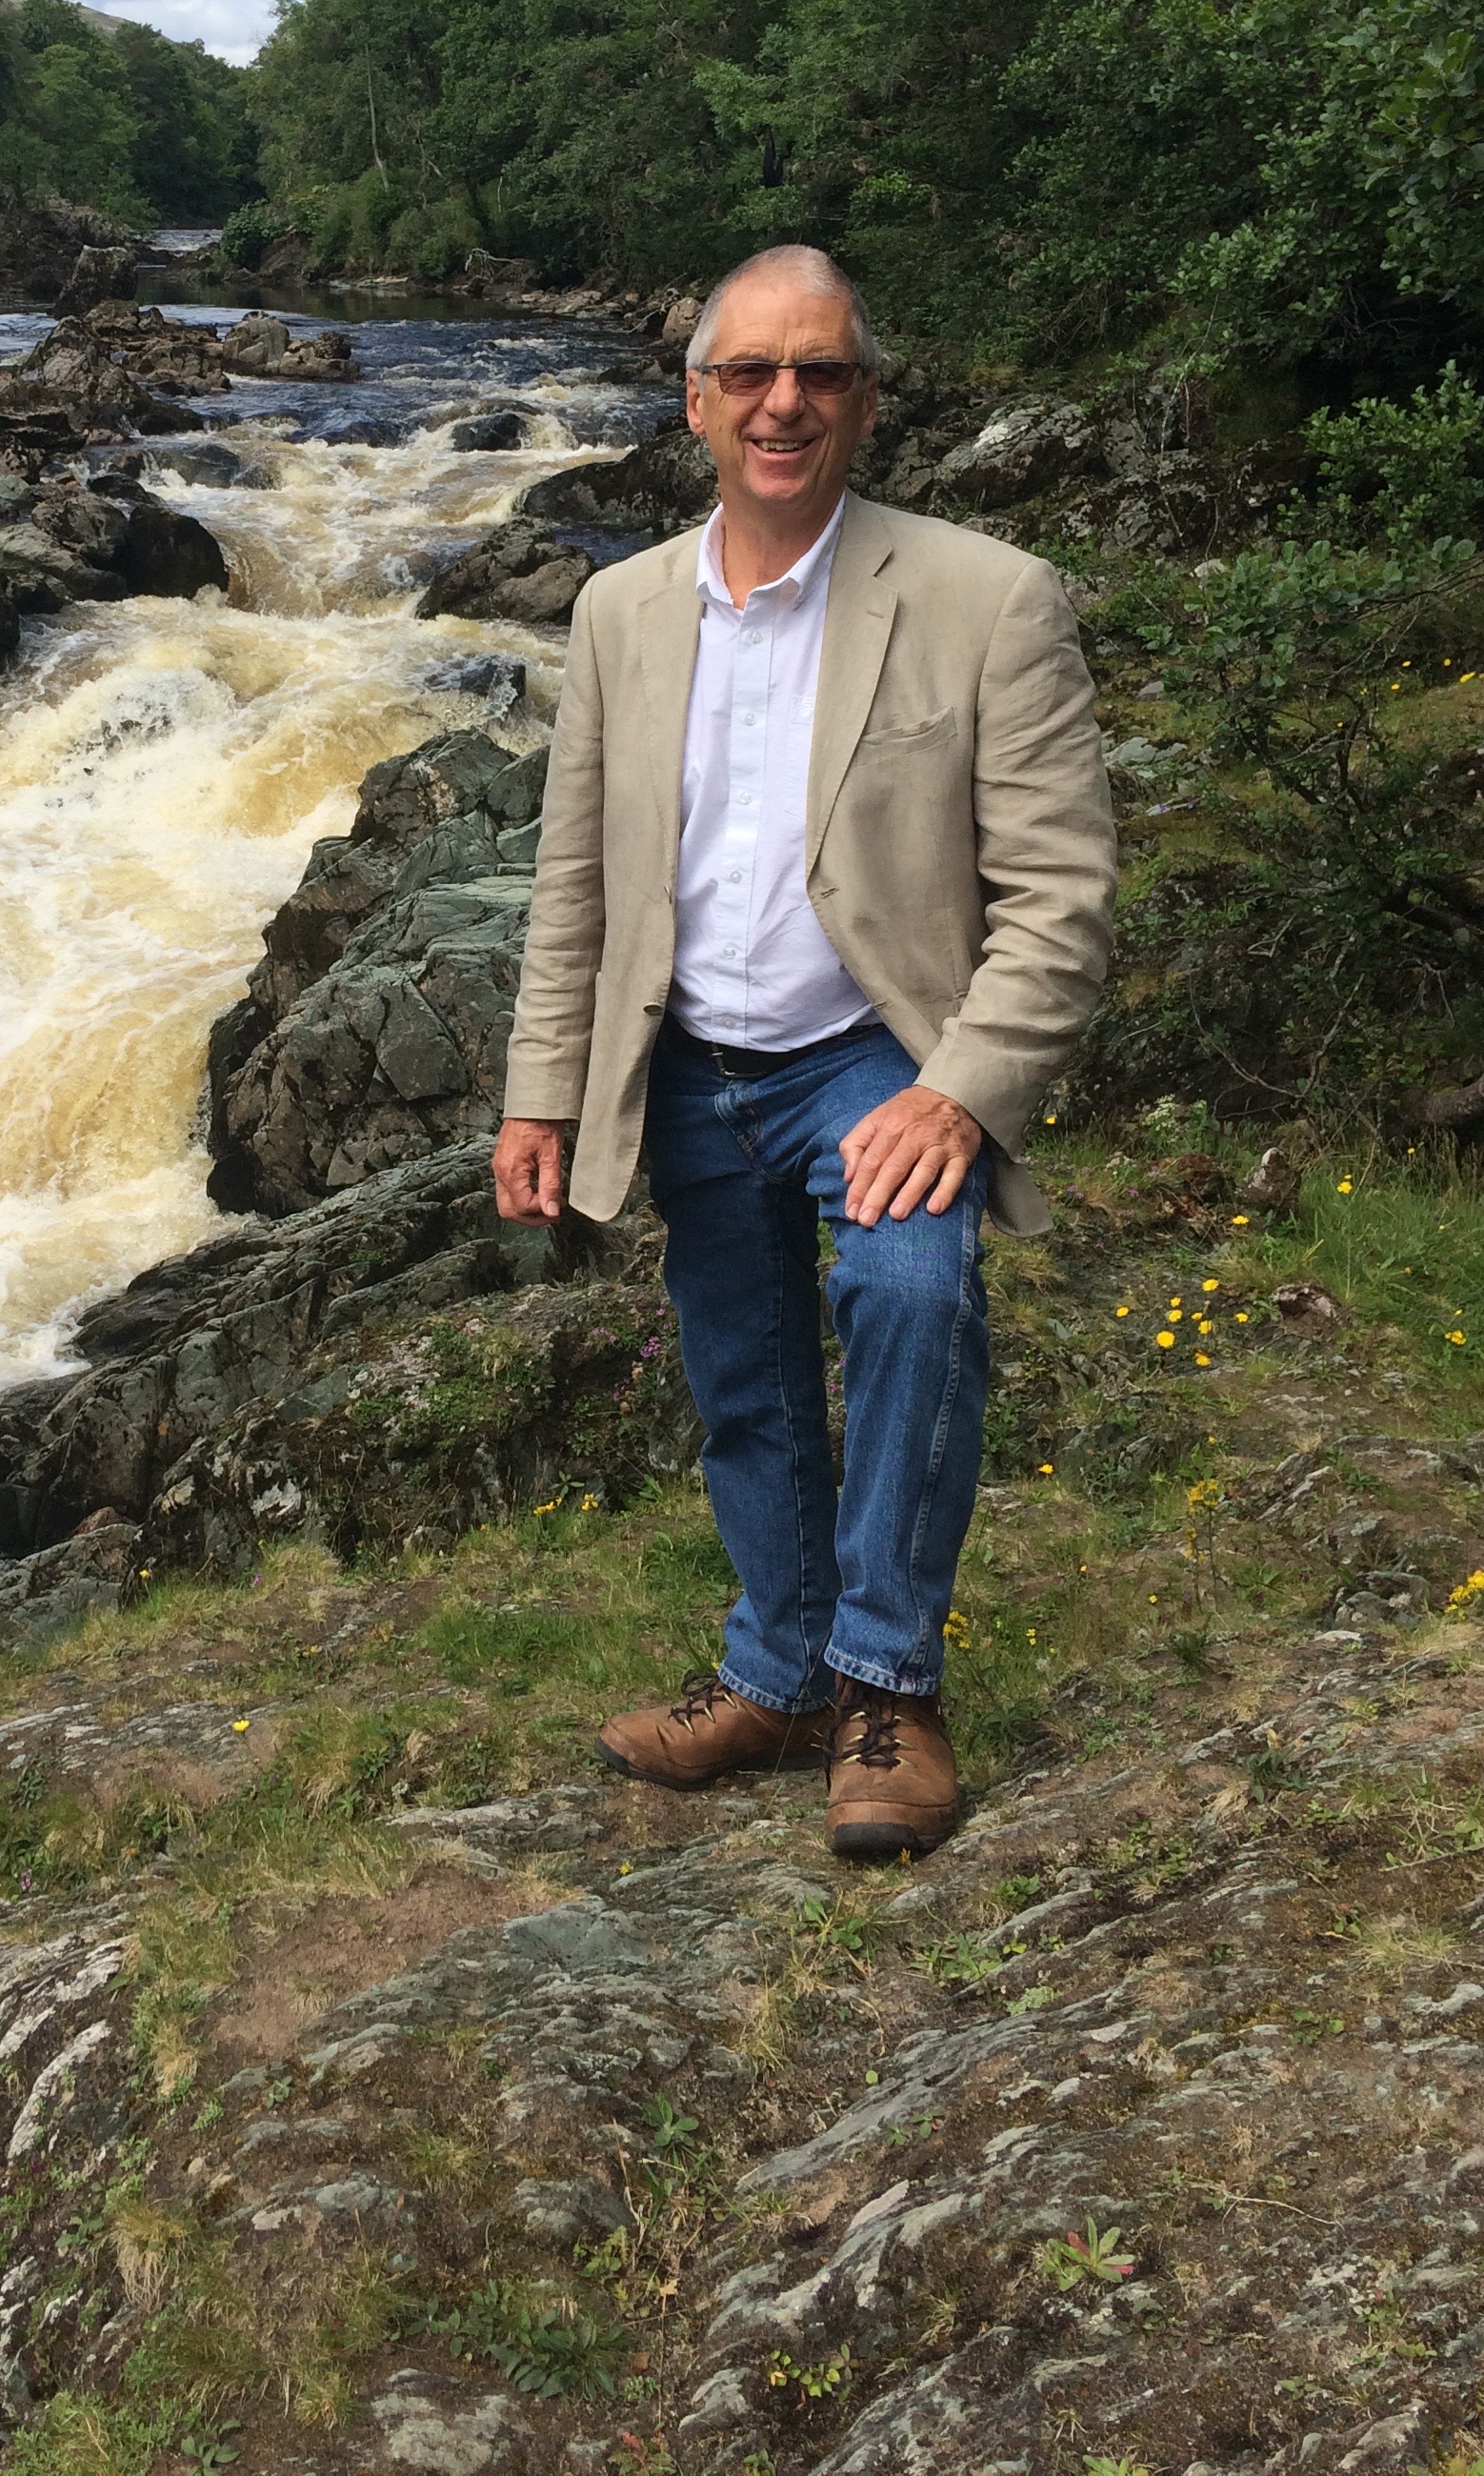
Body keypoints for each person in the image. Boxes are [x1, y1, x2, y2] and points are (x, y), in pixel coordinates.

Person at [491, 245, 1114, 1858]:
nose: (785, 403)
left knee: (913, 1296)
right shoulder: (620, 610)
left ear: (866, 401)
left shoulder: (989, 598)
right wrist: (541, 1093)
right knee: (747, 1377)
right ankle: (775, 1675)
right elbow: (576, 880)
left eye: (819, 372)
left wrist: (958, 1092)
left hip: (873, 1054)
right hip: (689, 1060)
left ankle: (886, 1686)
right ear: (696, 402)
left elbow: (1060, 898)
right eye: (751, 374)